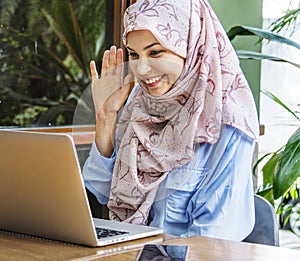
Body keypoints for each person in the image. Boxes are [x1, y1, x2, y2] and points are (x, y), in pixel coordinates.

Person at [83, 0, 259, 241]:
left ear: (191, 44)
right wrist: (105, 116)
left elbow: (212, 240)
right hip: (130, 250)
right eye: (134, 55)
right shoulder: (140, 102)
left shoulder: (227, 121)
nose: (142, 69)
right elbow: (103, 190)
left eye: (155, 52)